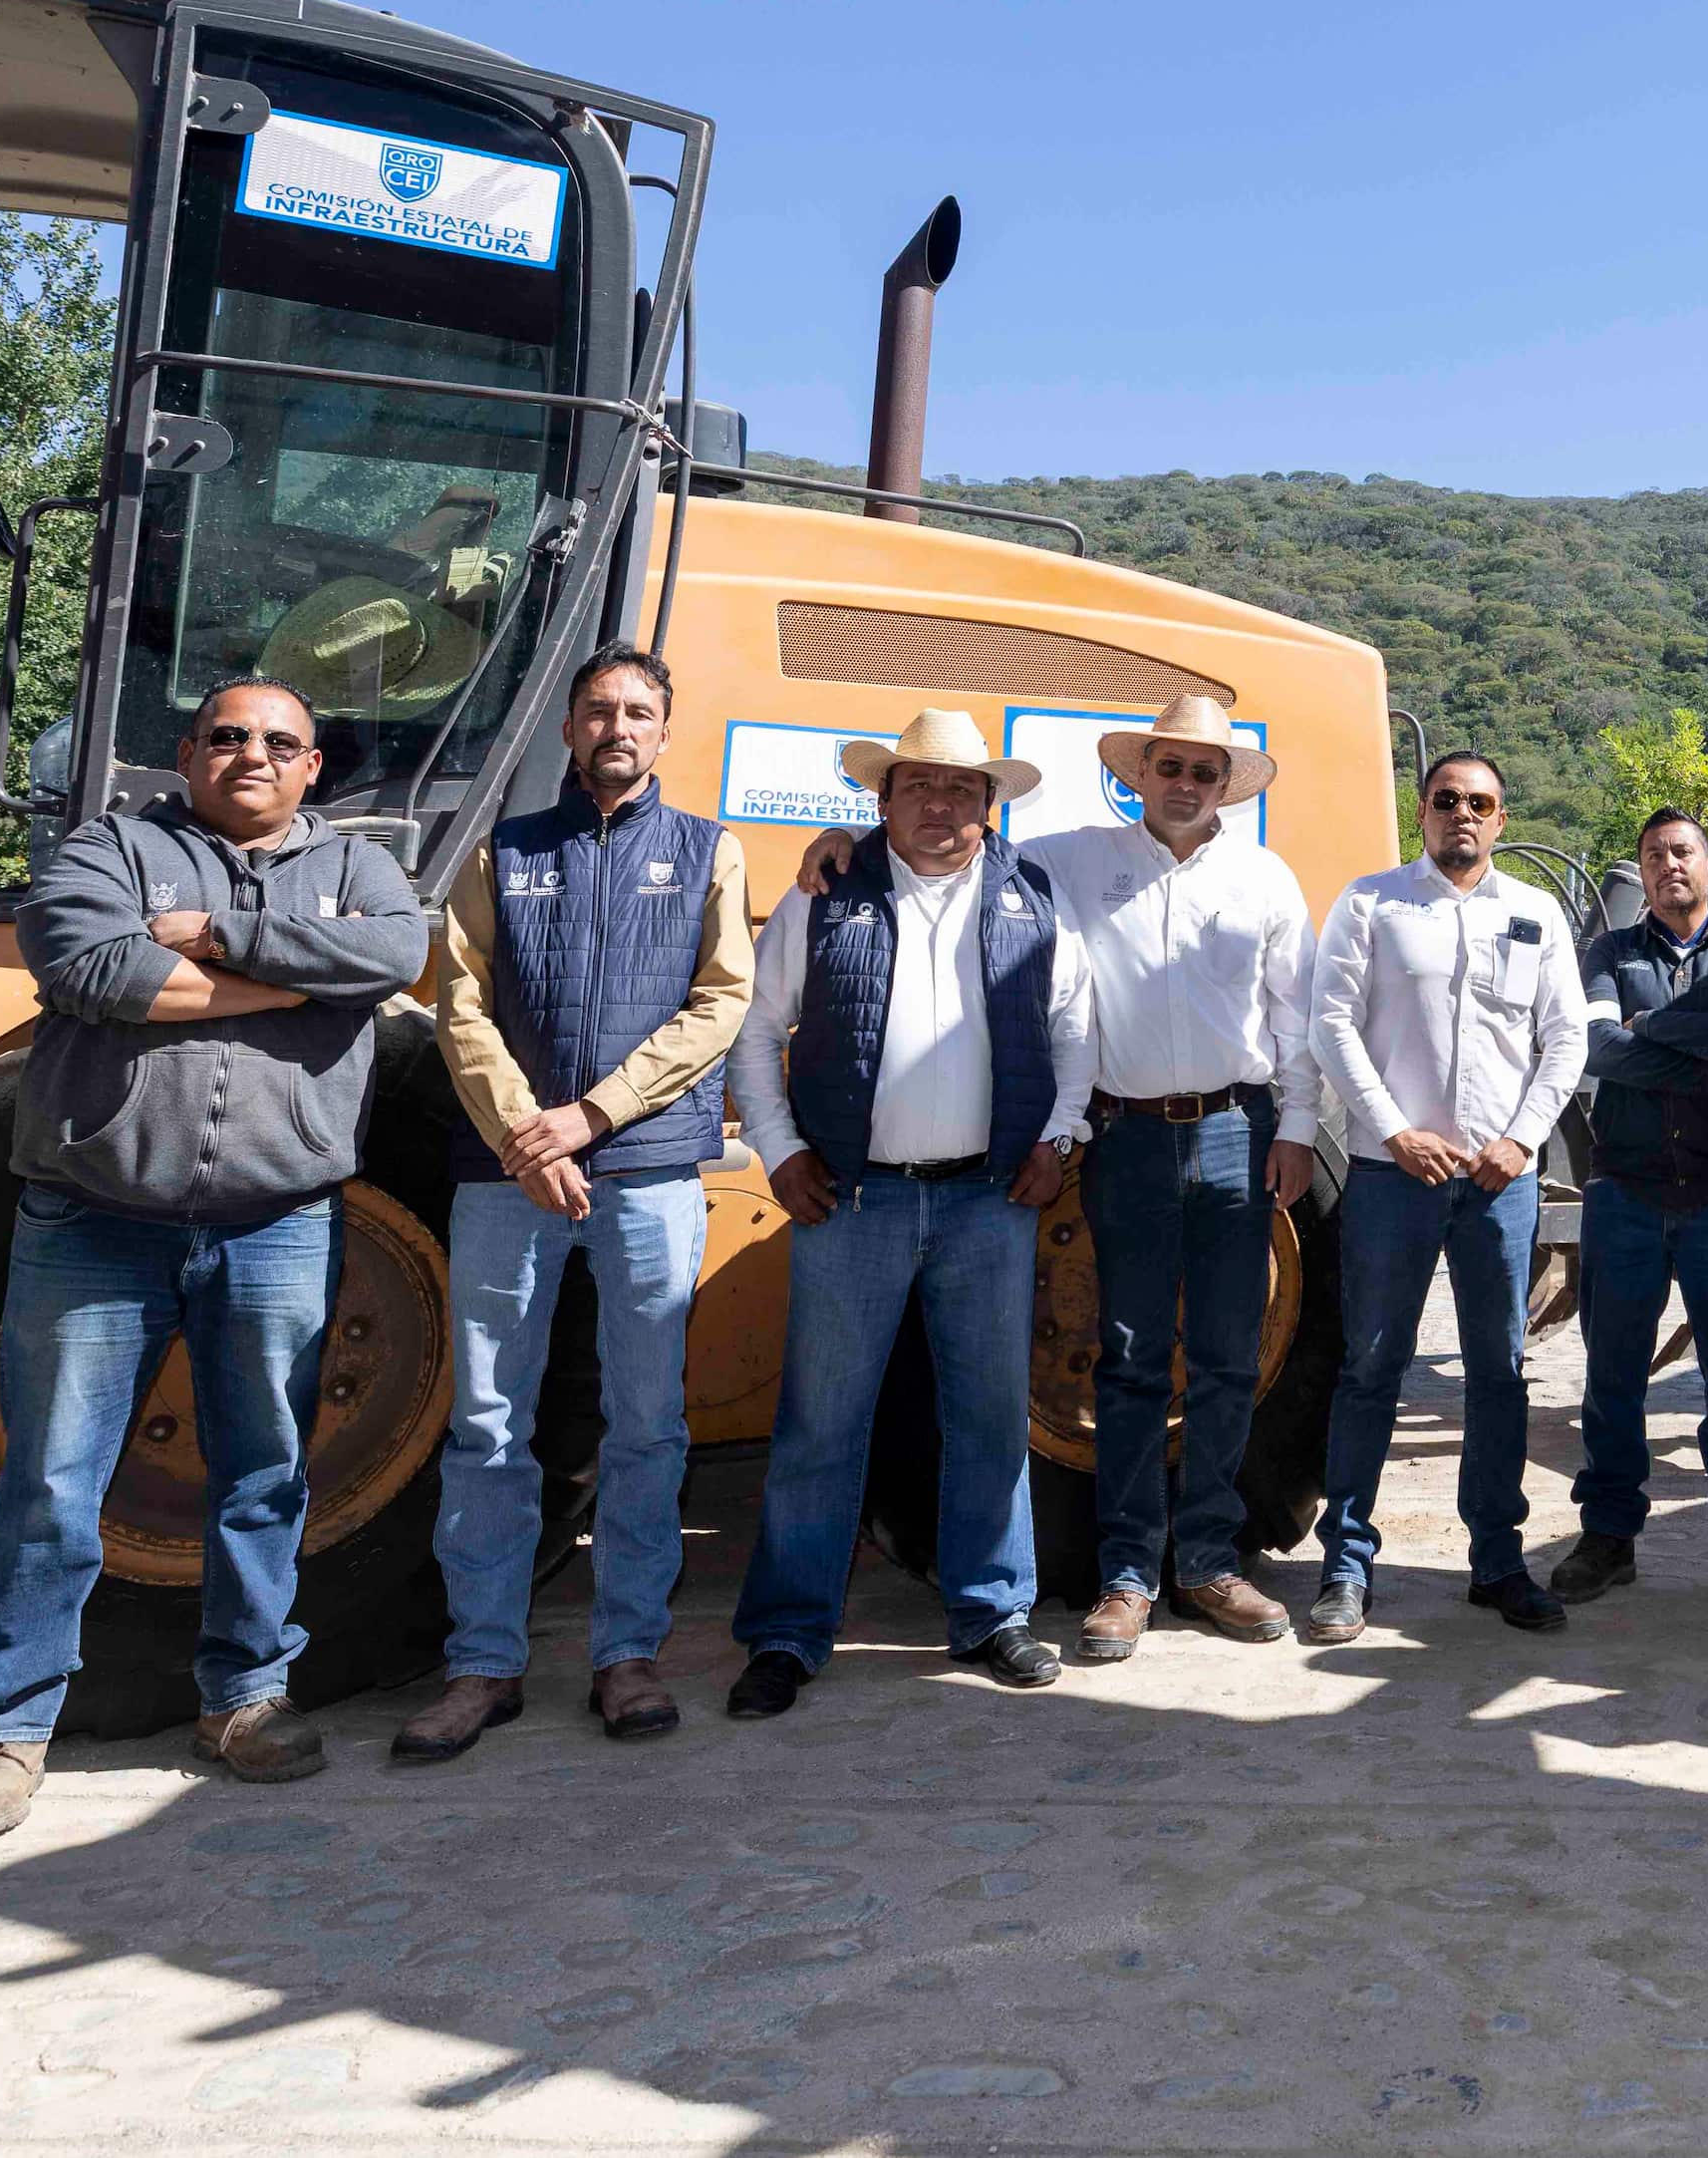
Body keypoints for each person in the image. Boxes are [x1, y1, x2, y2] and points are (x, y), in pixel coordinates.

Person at [0, 678, 430, 1839]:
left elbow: (395, 955)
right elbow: (92, 972)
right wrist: (307, 975)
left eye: (278, 741)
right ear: (187, 754)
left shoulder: (360, 871)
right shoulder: (110, 845)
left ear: (314, 767)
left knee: (264, 1470)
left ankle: (245, 1695)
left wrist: (214, 939)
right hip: (95, 1216)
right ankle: (7, 1726)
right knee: (53, 1476)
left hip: (279, 1219)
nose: (250, 754)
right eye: (226, 736)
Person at [393, 646, 754, 1764]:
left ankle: (626, 1653)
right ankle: (482, 1663)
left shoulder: (708, 852)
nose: (617, 725)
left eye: (639, 709)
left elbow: (721, 1001)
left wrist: (590, 1115)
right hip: (506, 1176)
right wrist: (521, 1130)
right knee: (489, 1422)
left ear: (664, 728)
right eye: (598, 707)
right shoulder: (501, 852)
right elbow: (459, 1000)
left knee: (647, 1422)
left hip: (645, 1171)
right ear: (567, 726)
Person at [722, 709, 1092, 1710]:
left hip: (987, 1198)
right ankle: (789, 1632)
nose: (940, 805)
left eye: (961, 789)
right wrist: (781, 1147)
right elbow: (758, 1031)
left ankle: (990, 1612)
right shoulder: (828, 890)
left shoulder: (1032, 894)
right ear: (880, 799)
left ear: (988, 806)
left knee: (987, 1418)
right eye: (919, 785)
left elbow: (1073, 1032)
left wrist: (1059, 1137)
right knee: (818, 1423)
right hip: (853, 1197)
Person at [1028, 695, 1317, 1660]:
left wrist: (1301, 1130)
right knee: (1129, 1356)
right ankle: (1125, 1573)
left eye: (1204, 770)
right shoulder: (1072, 859)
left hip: (1239, 1126)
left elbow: (1295, 1020)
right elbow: (946, 845)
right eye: (1170, 765)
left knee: (1231, 1357)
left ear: (1225, 783)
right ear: (1138, 772)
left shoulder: (1265, 878)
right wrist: (837, 849)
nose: (1186, 783)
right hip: (1126, 1136)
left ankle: (1206, 1558)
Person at [1304, 749, 1585, 1642]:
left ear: (1503, 819)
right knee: (1371, 1368)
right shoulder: (1372, 902)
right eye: (1446, 799)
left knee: (1498, 1373)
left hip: (1497, 1181)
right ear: (1421, 811)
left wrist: (1521, 1139)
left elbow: (1566, 1039)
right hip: (1395, 1175)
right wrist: (1392, 1129)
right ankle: (1346, 1563)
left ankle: (1497, 1560)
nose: (1463, 813)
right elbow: (1331, 1023)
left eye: (1482, 802)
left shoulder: (1535, 914)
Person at [1552, 806, 1708, 1616]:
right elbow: (1597, 1049)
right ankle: (1609, 1536)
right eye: (1654, 854)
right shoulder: (1608, 951)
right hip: (1623, 1192)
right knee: (1612, 1374)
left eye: (1683, 850)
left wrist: (1655, 1024)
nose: (1669, 864)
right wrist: (1707, 1055)